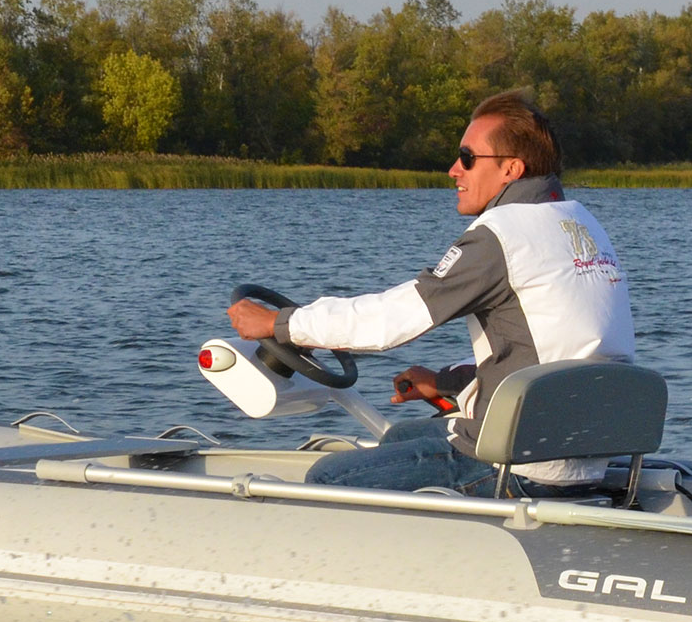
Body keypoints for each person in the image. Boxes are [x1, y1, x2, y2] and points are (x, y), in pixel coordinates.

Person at [227, 90, 634, 496]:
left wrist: (281, 323)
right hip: (576, 452)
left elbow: (393, 318)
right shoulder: (579, 224)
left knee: (327, 479)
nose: (454, 170)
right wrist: (445, 382)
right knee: (399, 437)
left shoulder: (503, 235)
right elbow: (553, 351)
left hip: (520, 466)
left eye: (468, 158)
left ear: (511, 168)